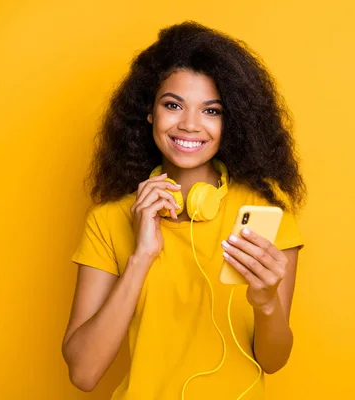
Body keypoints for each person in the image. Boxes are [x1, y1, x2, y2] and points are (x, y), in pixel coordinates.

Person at [62, 21, 306, 400]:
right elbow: (83, 373)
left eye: (211, 111)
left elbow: (273, 361)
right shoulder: (109, 220)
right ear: (149, 112)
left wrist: (266, 301)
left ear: (232, 122)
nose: (190, 125)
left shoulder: (263, 215)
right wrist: (142, 256)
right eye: (173, 105)